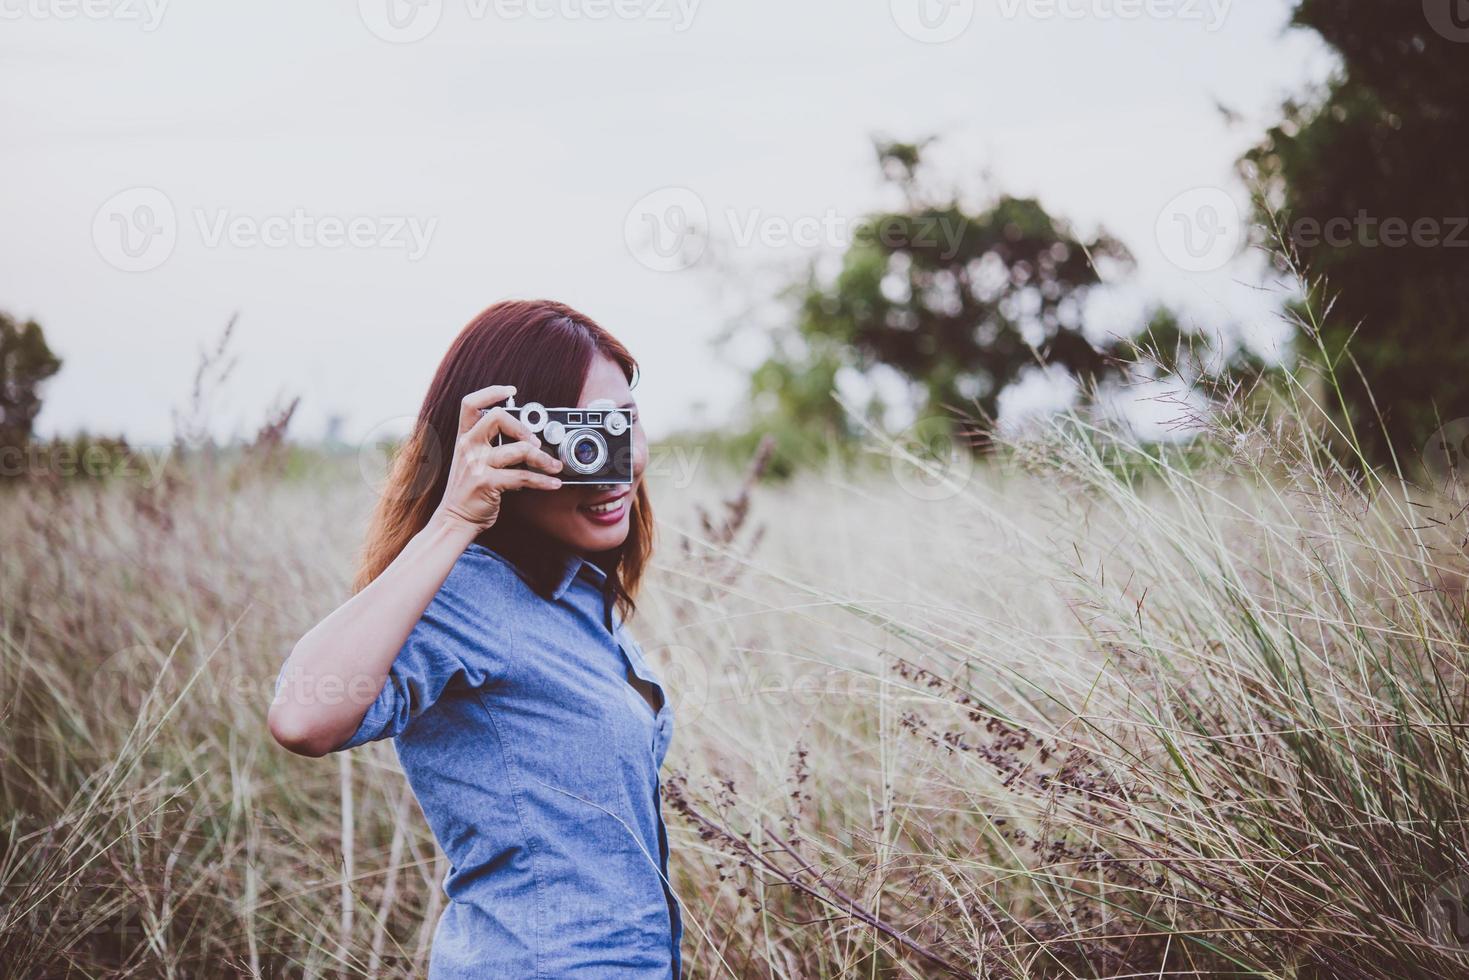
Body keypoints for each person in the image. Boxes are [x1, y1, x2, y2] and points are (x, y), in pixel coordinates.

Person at [268, 299, 682, 978]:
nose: (607, 464)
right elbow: (301, 716)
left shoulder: (574, 594)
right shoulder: (459, 594)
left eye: (619, 424)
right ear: (496, 444)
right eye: (573, 435)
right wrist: (454, 516)